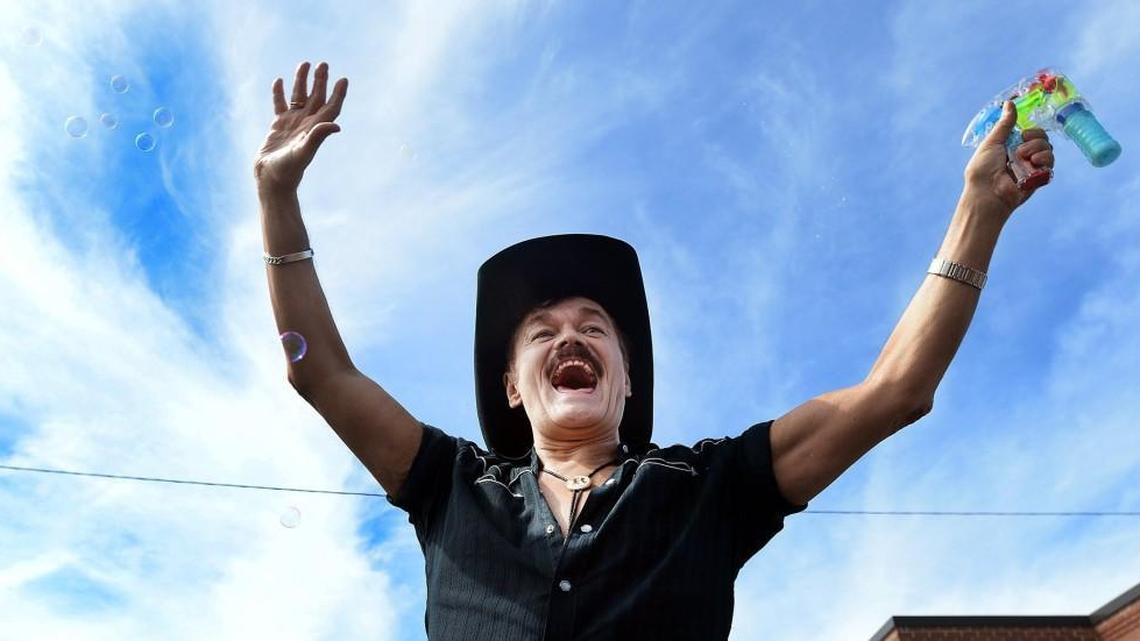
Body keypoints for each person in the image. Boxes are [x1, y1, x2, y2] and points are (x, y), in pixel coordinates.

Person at [256, 61, 1055, 640]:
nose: (569, 333)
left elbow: (895, 390)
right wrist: (277, 199)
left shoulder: (709, 488)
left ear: (626, 376)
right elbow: (318, 369)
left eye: (594, 325)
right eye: (541, 330)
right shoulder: (450, 487)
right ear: (510, 385)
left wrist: (978, 212)